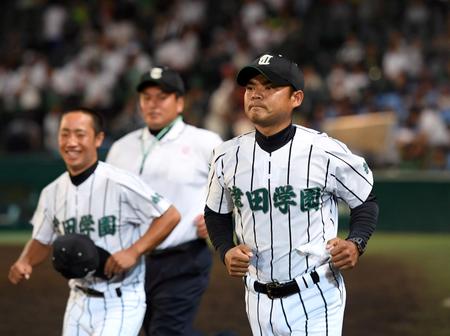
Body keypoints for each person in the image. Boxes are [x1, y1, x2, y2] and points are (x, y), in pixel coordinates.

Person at [205, 53, 378, 336]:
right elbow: (215, 212)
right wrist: (225, 250)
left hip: (317, 292)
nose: (256, 94)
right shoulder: (225, 156)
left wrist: (356, 242)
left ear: (295, 98)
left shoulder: (324, 151)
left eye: (269, 87)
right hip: (257, 297)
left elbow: (365, 200)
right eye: (250, 87)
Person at [8, 108, 181, 336]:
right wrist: (25, 261)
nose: (71, 142)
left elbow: (170, 215)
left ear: (98, 139)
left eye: (80, 134)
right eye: (65, 134)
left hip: (121, 299)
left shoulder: (120, 182)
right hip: (77, 300)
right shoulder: (51, 192)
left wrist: (134, 251)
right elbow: (42, 238)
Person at [106, 66, 222, 335]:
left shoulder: (205, 142)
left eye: (162, 96)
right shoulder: (121, 148)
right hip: (132, 260)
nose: (153, 104)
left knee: (166, 332)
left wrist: (219, 216)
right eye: (147, 97)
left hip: (183, 257)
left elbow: (235, 191)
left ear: (180, 102)